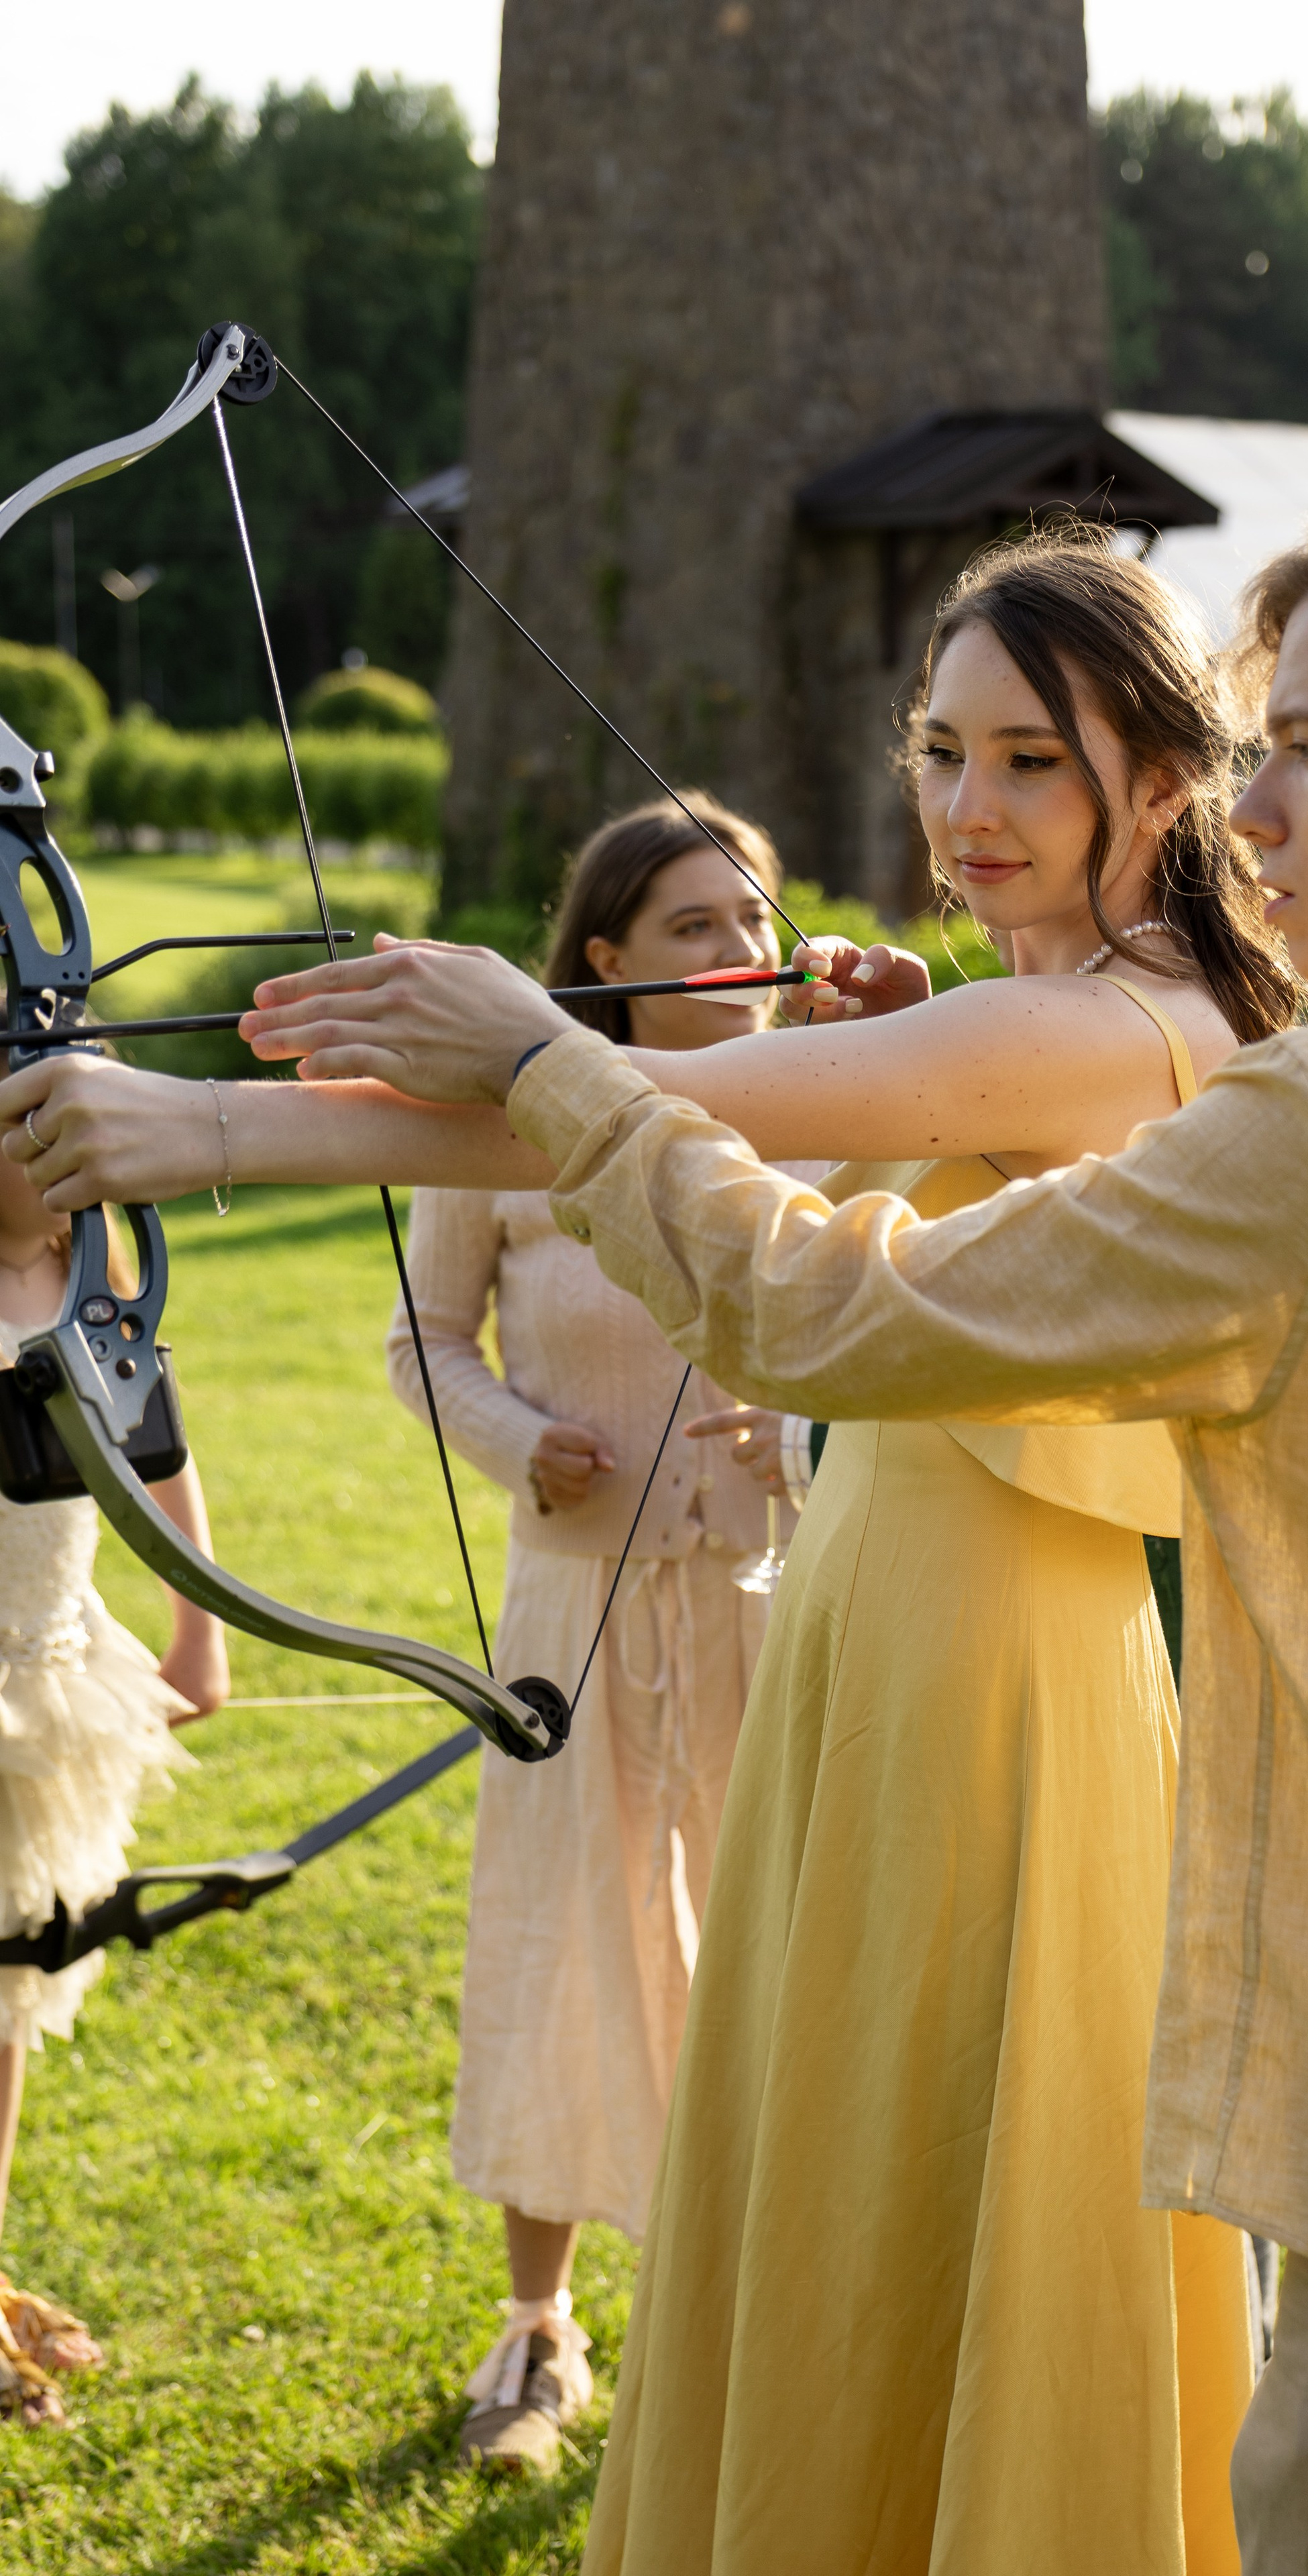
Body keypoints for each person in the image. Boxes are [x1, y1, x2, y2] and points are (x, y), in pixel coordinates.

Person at [40, 452, 1308, 2570]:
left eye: (1294, 748)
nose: (1258, 810)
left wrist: (233, 1106)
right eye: (948, 752)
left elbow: (812, 1296)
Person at [388, 795, 807, 2474]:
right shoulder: (501, 1125)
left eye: (753, 916)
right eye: (695, 925)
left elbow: (876, 1314)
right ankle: (539, 2331)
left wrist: (799, 1432)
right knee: (564, 1928)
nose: (736, 950)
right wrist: (516, 1439)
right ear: (607, 958)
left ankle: (769, 2318)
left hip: (776, 1584)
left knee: (777, 1944)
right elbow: (425, 1341)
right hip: (571, 1595)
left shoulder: (827, 1109)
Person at [0, 1152, 227, 2427]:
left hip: (51, 1670)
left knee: (13, 1990)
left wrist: (202, 1623)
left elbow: (156, 1442)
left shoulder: (95, 1275)